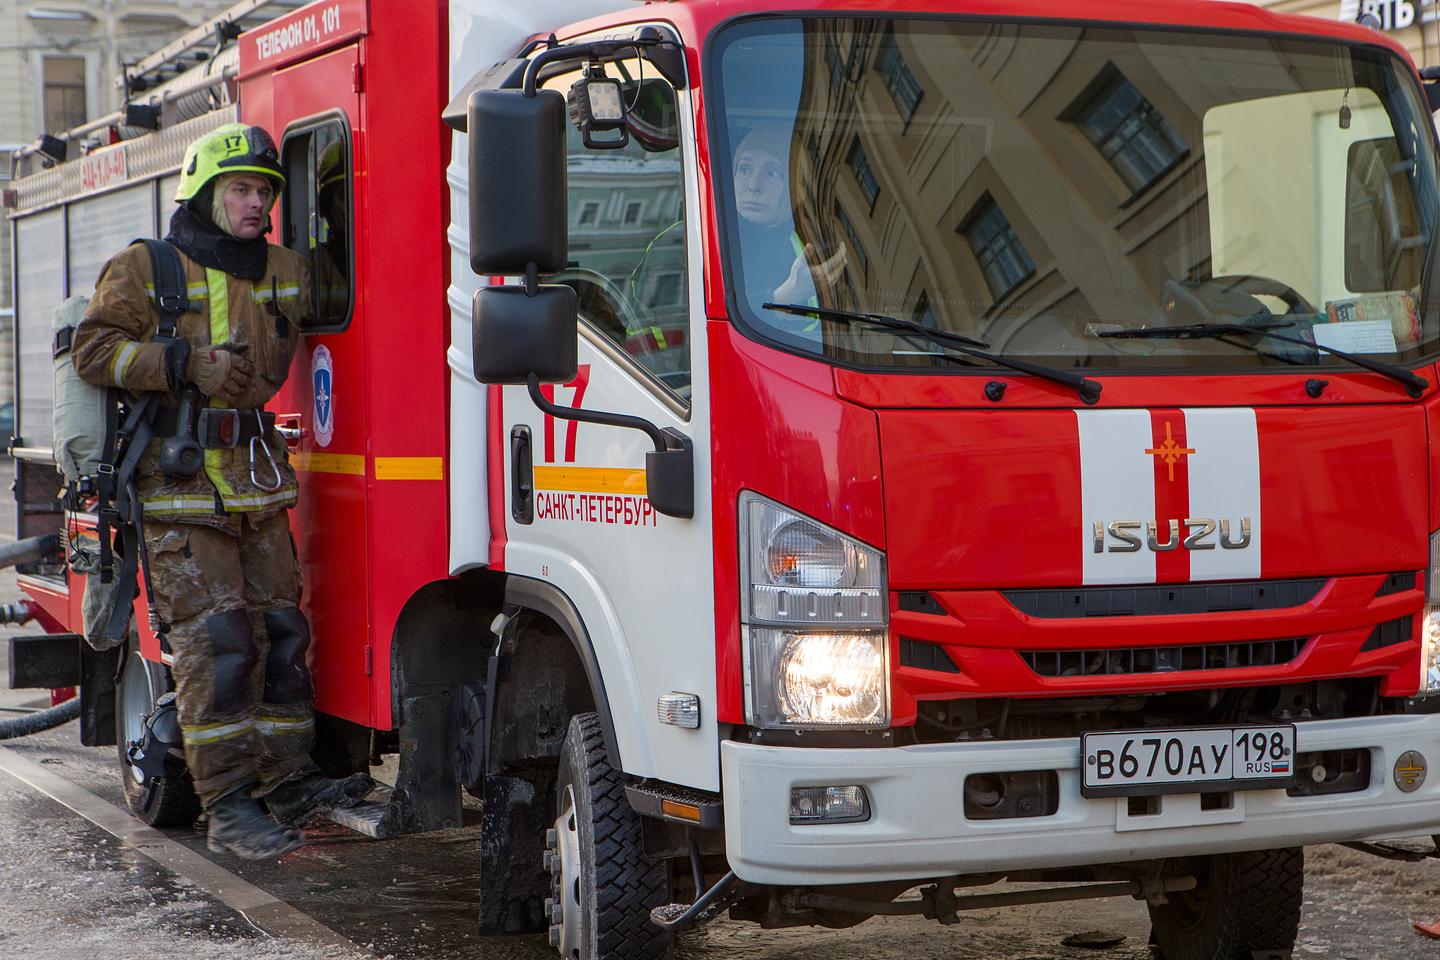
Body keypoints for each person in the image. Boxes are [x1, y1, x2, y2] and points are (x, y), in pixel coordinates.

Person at [73, 123, 373, 859]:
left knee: (280, 635)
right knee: (219, 646)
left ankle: (288, 779)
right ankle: (231, 805)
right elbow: (92, 350)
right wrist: (180, 363)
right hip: (179, 490)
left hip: (258, 484)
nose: (255, 203)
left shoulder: (286, 269)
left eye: (265, 191)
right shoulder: (148, 267)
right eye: (240, 189)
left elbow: (361, 286)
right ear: (204, 192)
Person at [730, 125, 846, 317]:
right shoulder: (692, 237)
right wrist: (788, 295)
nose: (753, 185)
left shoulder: (810, 244)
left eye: (772, 173)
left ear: (794, 187)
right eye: (744, 169)